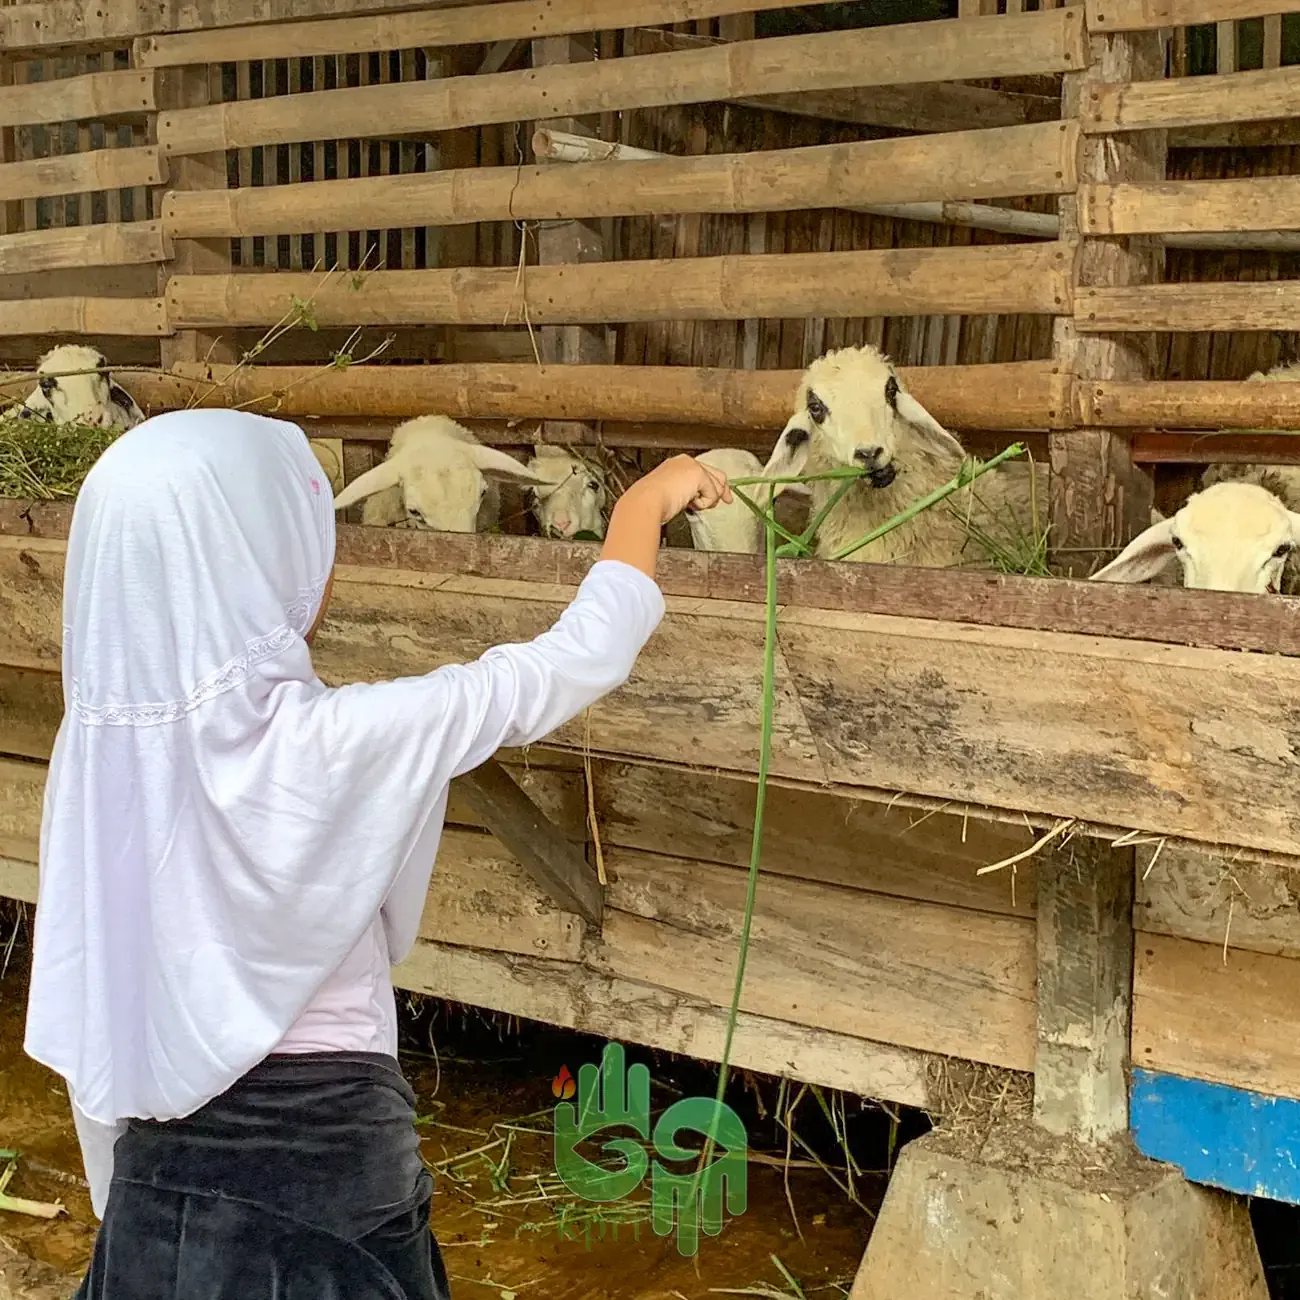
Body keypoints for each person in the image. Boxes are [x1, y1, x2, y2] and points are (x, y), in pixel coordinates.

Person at [22, 408, 732, 1299]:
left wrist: (128, 1220)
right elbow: (574, 659)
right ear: (256, 565)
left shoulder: (95, 767)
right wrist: (644, 502)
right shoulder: (337, 741)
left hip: (151, 1198)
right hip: (330, 1193)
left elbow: (92, 1018)